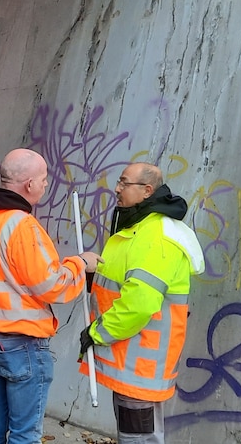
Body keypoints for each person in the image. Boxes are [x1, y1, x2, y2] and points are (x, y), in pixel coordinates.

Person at [0, 148, 102, 444]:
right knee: (24, 433)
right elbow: (52, 285)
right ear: (30, 184)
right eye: (44, 179)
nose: (46, 185)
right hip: (21, 344)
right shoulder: (21, 226)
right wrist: (81, 263)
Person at [78, 162, 205, 444]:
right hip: (132, 360)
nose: (117, 189)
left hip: (140, 365)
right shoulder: (139, 229)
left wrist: (97, 333)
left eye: (124, 183)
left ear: (147, 190)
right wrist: (92, 277)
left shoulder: (155, 237)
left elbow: (140, 303)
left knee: (138, 440)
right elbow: (122, 283)